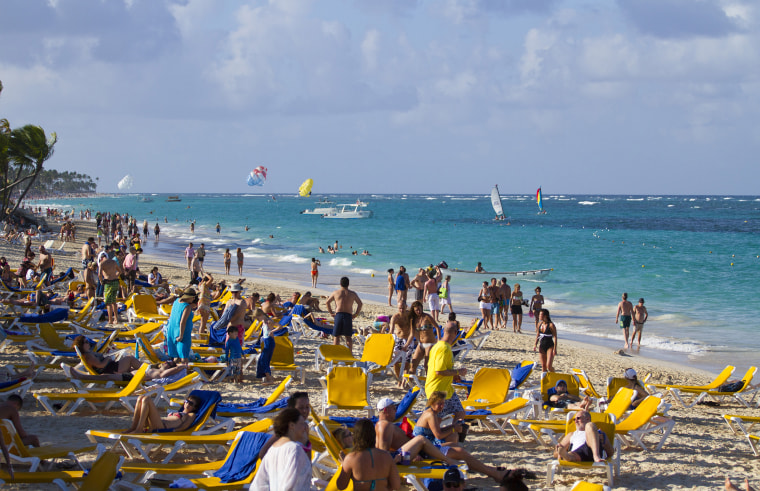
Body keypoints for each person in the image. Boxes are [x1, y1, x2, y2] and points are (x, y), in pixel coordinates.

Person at [413, 391, 508, 484]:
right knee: (459, 451)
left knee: (454, 441)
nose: (442, 406)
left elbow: (437, 431)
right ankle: (492, 472)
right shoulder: (430, 415)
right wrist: (453, 429)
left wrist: (452, 427)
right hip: (425, 450)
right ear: (432, 403)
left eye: (443, 404)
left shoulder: (430, 412)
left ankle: (476, 466)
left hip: (426, 446)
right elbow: (438, 435)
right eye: (439, 404)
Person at [374, 398, 460, 467]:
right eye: (394, 408)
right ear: (386, 410)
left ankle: (452, 461)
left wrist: (413, 452)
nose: (396, 411)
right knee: (421, 439)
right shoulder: (384, 425)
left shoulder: (381, 425)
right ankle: (449, 461)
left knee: (454, 446)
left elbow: (387, 447)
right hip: (401, 459)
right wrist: (396, 460)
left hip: (408, 455)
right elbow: (383, 453)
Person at [250, 408, 313, 490]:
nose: (305, 427)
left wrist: (306, 443)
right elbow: (290, 485)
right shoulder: (294, 449)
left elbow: (259, 485)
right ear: (292, 426)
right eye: (302, 423)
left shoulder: (273, 449)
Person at [336, 419, 401, 491]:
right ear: (374, 435)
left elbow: (341, 486)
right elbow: (396, 486)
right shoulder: (386, 456)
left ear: (356, 437)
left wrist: (345, 467)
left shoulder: (351, 459)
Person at [425, 321, 466, 426]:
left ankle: (454, 434)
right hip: (437, 390)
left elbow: (440, 368)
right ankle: (441, 438)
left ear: (443, 331)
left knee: (460, 413)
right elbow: (439, 371)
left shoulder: (438, 345)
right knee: (435, 420)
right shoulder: (444, 348)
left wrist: (454, 375)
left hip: (447, 389)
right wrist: (458, 371)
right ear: (456, 333)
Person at [74, 335, 143, 378]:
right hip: (111, 370)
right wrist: (108, 358)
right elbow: (101, 365)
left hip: (111, 368)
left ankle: (146, 371)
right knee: (129, 358)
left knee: (132, 368)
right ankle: (147, 369)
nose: (88, 343)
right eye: (86, 342)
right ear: (82, 345)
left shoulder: (88, 353)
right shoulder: (89, 356)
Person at [126, 394, 200, 434]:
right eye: (186, 401)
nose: (187, 404)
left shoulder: (191, 415)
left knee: (147, 399)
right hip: (156, 423)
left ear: (194, 408)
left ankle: (138, 429)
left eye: (190, 403)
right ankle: (133, 427)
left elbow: (185, 426)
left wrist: (173, 431)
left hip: (162, 427)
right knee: (140, 398)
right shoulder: (179, 411)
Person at [67, 359, 186, 383]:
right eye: (166, 361)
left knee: (106, 377)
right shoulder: (156, 369)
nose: (165, 362)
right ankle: (83, 376)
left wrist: (181, 366)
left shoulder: (161, 373)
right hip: (130, 375)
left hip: (132, 379)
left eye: (168, 363)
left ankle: (82, 377)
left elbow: (166, 374)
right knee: (105, 376)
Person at [326, 277, 362, 352]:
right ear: (348, 284)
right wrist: (356, 314)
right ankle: (349, 353)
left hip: (338, 314)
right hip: (348, 315)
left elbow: (327, 302)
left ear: (340, 284)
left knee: (337, 336)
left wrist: (331, 312)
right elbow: (360, 303)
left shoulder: (336, 292)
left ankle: (335, 353)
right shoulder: (352, 293)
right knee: (348, 337)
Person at [165, 288, 199, 362]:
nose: (194, 299)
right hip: (182, 332)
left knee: (176, 356)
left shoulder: (176, 301)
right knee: (184, 357)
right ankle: (184, 372)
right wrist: (181, 335)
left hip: (171, 331)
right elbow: (182, 322)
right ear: (189, 297)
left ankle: (174, 373)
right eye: (193, 297)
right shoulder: (187, 307)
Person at [253, 308, 284, 385]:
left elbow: (280, 326)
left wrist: (272, 331)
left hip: (269, 341)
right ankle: (268, 378)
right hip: (267, 341)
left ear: (260, 315)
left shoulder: (268, 321)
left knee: (264, 360)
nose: (257, 319)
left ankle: (270, 379)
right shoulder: (264, 321)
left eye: (257, 318)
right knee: (263, 359)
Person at [389, 303, 416, 387]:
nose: (401, 310)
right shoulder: (395, 317)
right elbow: (391, 331)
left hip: (408, 339)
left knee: (406, 363)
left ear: (406, 306)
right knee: (395, 362)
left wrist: (407, 344)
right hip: (398, 339)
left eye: (403, 308)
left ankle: (404, 381)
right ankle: (399, 379)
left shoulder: (410, 316)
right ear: (398, 307)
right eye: (400, 308)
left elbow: (412, 332)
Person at [409, 301, 438, 376]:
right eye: (416, 310)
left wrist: (439, 340)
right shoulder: (413, 320)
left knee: (427, 365)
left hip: (430, 344)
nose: (418, 311)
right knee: (413, 364)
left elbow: (437, 327)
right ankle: (410, 382)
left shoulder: (427, 317)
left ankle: (429, 382)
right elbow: (412, 333)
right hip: (420, 344)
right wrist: (407, 344)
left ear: (422, 308)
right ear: (413, 311)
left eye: (419, 309)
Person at [98, 253, 123, 325]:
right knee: (114, 301)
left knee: (108, 302)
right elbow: (120, 271)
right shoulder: (113, 262)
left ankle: (110, 320)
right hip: (115, 282)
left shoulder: (102, 263)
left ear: (101, 258)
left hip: (108, 283)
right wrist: (115, 276)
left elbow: (99, 274)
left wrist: (101, 281)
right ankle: (116, 319)